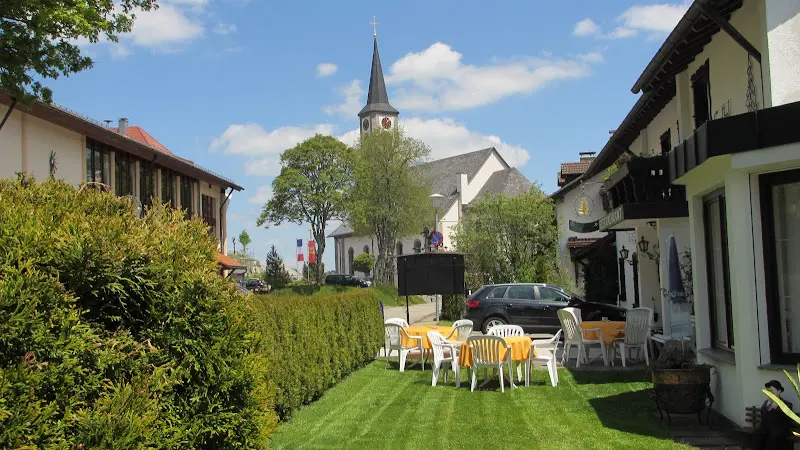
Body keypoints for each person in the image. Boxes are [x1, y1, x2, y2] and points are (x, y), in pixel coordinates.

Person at [758, 380, 795, 450]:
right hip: (767, 431)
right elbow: (763, 416)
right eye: (768, 391)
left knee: (773, 437)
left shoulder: (787, 404)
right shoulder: (766, 403)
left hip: (780, 433)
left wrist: (777, 408)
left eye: (772, 391)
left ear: (779, 391)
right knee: (758, 435)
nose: (770, 393)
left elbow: (787, 417)